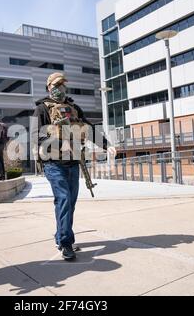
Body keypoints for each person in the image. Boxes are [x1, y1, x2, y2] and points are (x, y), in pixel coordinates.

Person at [33, 72, 116, 261]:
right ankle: (66, 243)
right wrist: (57, 138)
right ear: (48, 87)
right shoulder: (41, 109)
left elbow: (89, 129)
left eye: (63, 84)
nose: (60, 88)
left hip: (73, 163)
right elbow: (36, 135)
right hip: (53, 163)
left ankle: (60, 236)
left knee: (69, 202)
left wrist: (106, 145)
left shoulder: (74, 108)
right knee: (63, 198)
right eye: (56, 85)